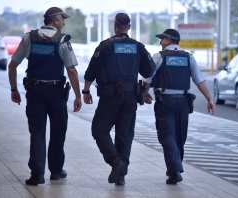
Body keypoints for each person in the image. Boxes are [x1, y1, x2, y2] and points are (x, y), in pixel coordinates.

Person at [8, 7, 82, 185]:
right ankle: (56, 171)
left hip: (34, 93)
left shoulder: (29, 37)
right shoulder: (62, 40)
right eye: (62, 20)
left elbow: (12, 65)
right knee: (58, 132)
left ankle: (37, 174)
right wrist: (78, 95)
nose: (63, 23)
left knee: (37, 133)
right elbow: (71, 70)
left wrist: (14, 89)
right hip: (56, 93)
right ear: (55, 20)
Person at [83, 13, 155, 186]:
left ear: (115, 26)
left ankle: (116, 163)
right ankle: (121, 175)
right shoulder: (138, 47)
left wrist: (86, 91)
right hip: (131, 96)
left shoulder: (105, 46)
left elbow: (91, 71)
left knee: (99, 130)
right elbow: (150, 71)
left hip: (109, 96)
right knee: (125, 134)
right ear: (128, 27)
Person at [143, 29, 216, 184]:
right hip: (183, 102)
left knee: (167, 136)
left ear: (169, 40)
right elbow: (199, 80)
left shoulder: (159, 57)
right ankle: (174, 170)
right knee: (179, 137)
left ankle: (175, 169)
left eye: (162, 39)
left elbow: (148, 78)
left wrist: (144, 92)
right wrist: (209, 98)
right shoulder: (189, 57)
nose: (160, 42)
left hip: (165, 102)